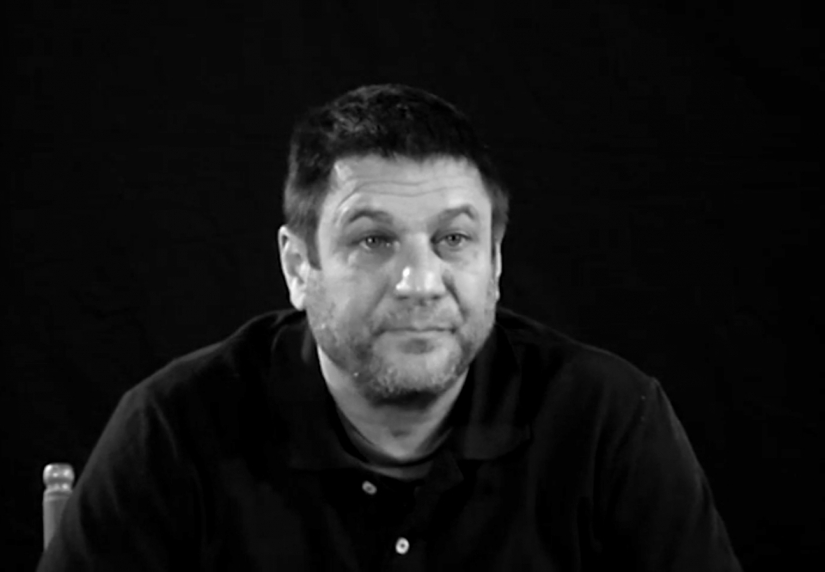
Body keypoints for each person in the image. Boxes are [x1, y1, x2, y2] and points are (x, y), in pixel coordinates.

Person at [38, 84, 743, 571]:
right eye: (374, 241)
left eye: (454, 239)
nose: (419, 282)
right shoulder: (173, 430)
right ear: (298, 266)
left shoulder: (608, 421)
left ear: (495, 262)